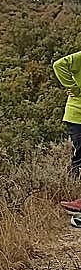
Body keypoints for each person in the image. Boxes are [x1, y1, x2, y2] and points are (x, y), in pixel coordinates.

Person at [52, 51, 81, 215]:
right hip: (77, 116)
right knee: (80, 158)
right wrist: (74, 88)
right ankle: (77, 199)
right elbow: (59, 65)